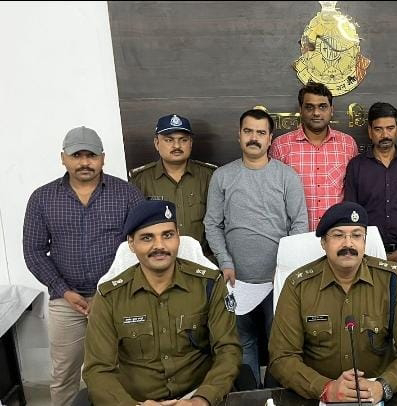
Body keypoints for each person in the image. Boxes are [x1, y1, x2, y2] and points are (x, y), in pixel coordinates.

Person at [22, 126, 143, 406]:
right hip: (66, 300)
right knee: (64, 374)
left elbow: (141, 245)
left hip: (117, 298)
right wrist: (63, 290)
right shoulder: (42, 198)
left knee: (125, 369)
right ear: (63, 158)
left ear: (103, 158)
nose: (85, 162)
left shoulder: (127, 194)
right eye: (77, 155)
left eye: (91, 155)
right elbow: (34, 251)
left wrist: (112, 289)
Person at [83, 200, 242, 406]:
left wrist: (202, 399)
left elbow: (228, 350)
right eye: (147, 238)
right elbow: (98, 369)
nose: (159, 246)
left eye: (167, 235)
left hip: (198, 396)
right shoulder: (110, 296)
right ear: (131, 244)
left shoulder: (209, 284)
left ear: (178, 237)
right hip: (137, 401)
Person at [268, 202, 397, 404]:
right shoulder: (298, 285)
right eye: (338, 235)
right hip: (315, 397)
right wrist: (324, 388)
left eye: (356, 235)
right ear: (324, 243)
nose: (348, 244)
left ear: (364, 241)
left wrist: (383, 386)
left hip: (376, 396)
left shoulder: (392, 280)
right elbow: (282, 356)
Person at [204, 108, 308, 385]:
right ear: (238, 135)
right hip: (236, 281)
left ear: (270, 138)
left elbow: (300, 224)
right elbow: (212, 224)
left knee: (280, 347)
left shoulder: (287, 176)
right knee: (243, 345)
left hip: (278, 282)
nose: (254, 138)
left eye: (261, 133)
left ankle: (276, 397)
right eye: (248, 131)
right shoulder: (222, 176)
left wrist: (284, 267)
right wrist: (225, 261)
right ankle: (251, 396)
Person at [344, 102, 397, 293]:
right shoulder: (357, 166)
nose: (385, 135)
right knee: (369, 307)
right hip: (367, 254)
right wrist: (368, 249)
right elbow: (351, 215)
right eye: (378, 129)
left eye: (390, 128)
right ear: (370, 131)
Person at [269, 81, 358, 231]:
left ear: (331, 110)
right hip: (295, 235)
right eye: (309, 107)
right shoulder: (281, 146)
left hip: (336, 234)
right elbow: (272, 195)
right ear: (301, 110)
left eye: (322, 107)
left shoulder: (347, 144)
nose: (316, 113)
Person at [129, 114, 216, 256]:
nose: (177, 146)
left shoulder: (210, 176)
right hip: (159, 259)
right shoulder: (140, 180)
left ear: (191, 143)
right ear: (157, 143)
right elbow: (135, 228)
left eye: (183, 140)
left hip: (202, 259)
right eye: (169, 140)